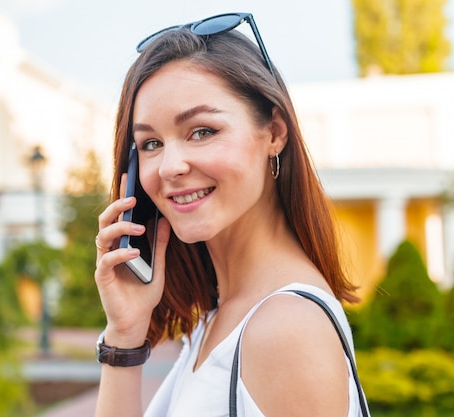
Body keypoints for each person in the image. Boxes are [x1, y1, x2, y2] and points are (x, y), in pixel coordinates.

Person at [93, 12, 367, 417]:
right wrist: (124, 335)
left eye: (202, 131)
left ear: (274, 133)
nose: (169, 167)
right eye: (150, 143)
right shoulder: (219, 317)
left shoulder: (286, 330)